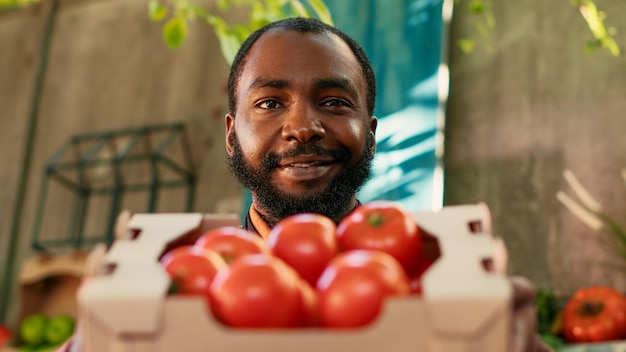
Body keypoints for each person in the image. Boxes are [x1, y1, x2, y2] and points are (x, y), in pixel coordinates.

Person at [59, 17, 548, 352]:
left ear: (370, 134)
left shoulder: (438, 272)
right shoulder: (177, 277)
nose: (303, 127)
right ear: (232, 135)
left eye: (335, 101)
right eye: (270, 103)